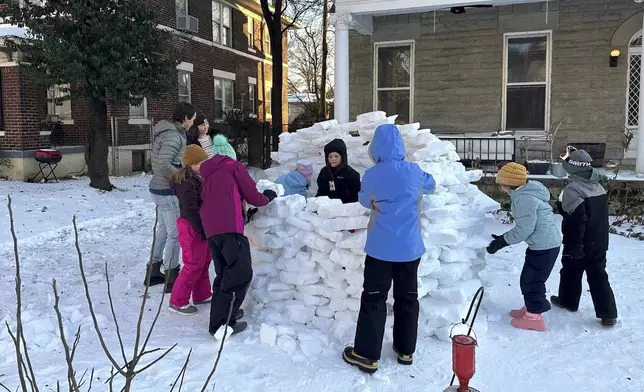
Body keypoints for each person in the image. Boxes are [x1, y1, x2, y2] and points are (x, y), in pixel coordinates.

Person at [342, 124, 435, 374]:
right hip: (409, 248)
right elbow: (431, 184)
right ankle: (405, 351)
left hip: (380, 249)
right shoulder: (414, 172)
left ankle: (366, 355)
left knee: (374, 299)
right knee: (407, 298)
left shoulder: (372, 175)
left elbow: (363, 200)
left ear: (376, 147)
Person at [200, 134, 277, 337]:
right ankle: (224, 324)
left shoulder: (208, 173)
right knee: (240, 274)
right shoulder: (233, 167)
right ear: (230, 156)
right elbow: (252, 194)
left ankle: (220, 318)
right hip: (229, 228)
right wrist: (266, 197)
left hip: (212, 231)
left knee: (224, 275)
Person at [487, 162, 562, 332]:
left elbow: (524, 229)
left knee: (531, 281)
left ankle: (534, 317)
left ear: (508, 182)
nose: (500, 186)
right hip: (542, 244)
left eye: (501, 182)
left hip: (544, 246)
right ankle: (531, 306)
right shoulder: (525, 193)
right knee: (530, 278)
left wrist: (501, 242)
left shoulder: (524, 199)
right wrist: (502, 238)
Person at [552, 147, 618, 327]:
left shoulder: (573, 189)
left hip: (580, 241)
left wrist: (574, 246)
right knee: (598, 275)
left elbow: (577, 220)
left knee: (570, 271)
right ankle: (608, 314)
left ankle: (568, 301)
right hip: (599, 240)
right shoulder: (598, 185)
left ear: (572, 168)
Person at [146, 102, 196, 292]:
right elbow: (163, 164)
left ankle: (153, 271)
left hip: (159, 189)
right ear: (185, 119)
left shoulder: (170, 133)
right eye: (192, 118)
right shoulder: (173, 136)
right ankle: (171, 275)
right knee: (175, 234)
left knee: (162, 231)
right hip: (166, 191)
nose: (192, 122)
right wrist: (182, 177)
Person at [167, 145, 212, 315]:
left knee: (204, 260)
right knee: (193, 264)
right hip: (191, 226)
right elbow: (190, 210)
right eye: (201, 163)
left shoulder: (198, 177)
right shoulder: (187, 182)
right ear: (191, 164)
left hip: (201, 225)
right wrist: (201, 229)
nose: (204, 165)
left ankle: (202, 294)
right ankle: (177, 301)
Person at [316, 138, 361, 203]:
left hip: (346, 207)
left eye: (336, 156)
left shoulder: (350, 173)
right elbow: (321, 191)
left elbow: (356, 194)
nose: (333, 159)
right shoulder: (324, 172)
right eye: (330, 156)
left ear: (342, 157)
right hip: (327, 207)